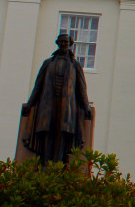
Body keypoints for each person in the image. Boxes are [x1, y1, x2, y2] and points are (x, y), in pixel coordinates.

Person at [21, 33, 92, 164]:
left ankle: (58, 163)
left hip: (66, 104)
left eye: (66, 42)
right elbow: (38, 85)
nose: (64, 44)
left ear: (70, 44)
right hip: (48, 103)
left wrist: (86, 105)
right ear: (57, 43)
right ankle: (45, 163)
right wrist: (30, 104)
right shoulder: (48, 63)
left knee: (62, 132)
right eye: (61, 42)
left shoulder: (75, 65)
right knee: (47, 131)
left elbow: (81, 87)